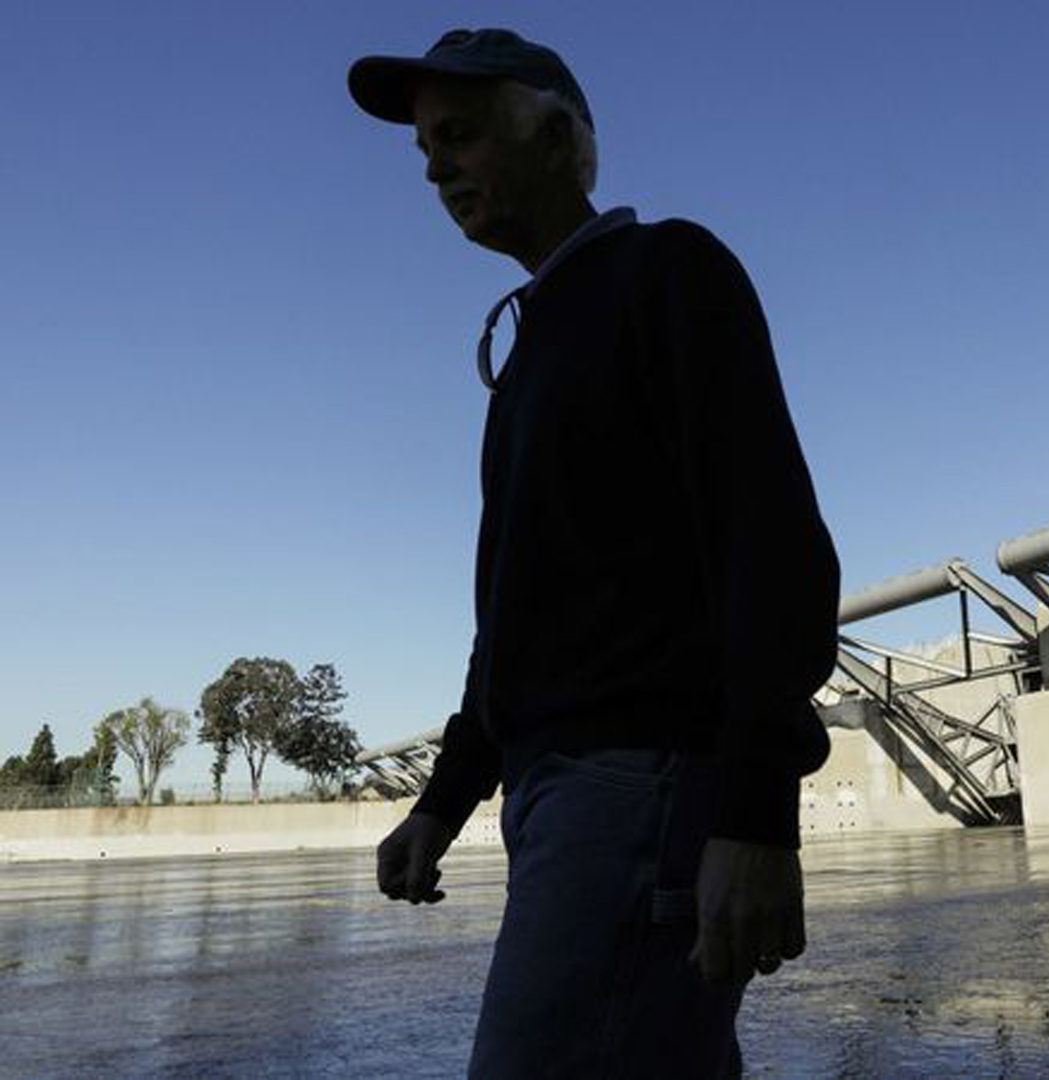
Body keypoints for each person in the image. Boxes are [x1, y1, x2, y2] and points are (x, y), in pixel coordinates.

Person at [349, 28, 840, 1077]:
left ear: (563, 138)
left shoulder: (668, 271)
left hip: (640, 795)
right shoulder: (527, 353)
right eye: (428, 147)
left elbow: (773, 542)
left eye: (464, 135)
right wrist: (447, 799)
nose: (436, 166)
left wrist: (757, 813)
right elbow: (515, 614)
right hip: (560, 803)